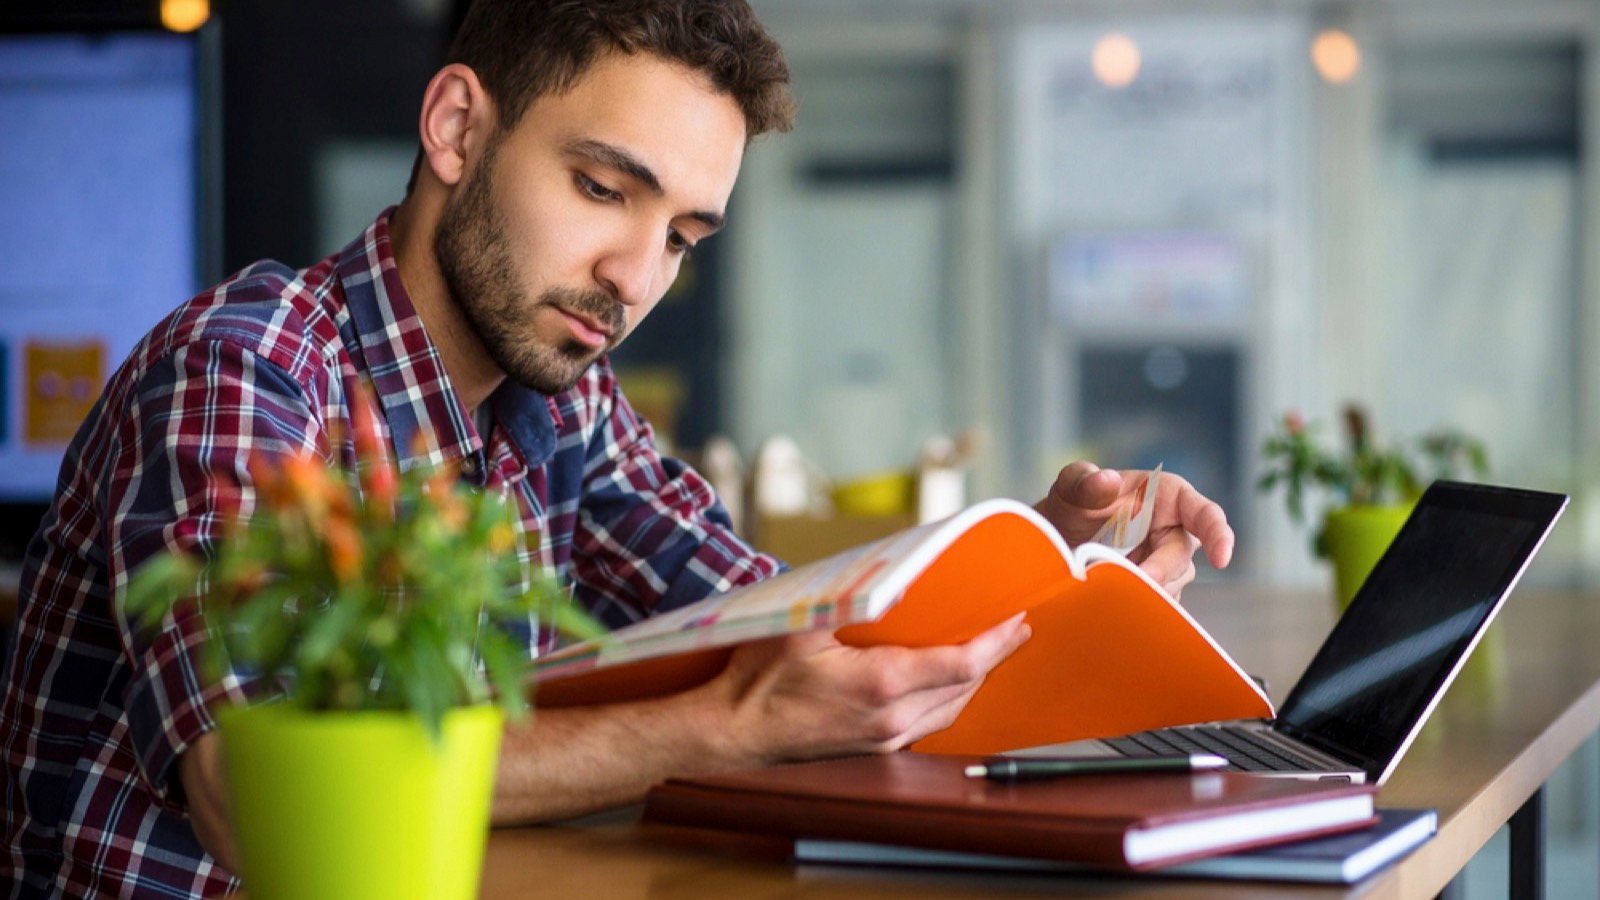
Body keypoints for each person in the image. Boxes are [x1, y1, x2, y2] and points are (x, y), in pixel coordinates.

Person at [0, 1, 1234, 896]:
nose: (635, 279)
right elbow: (257, 801)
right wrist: (718, 729)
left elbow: (801, 632)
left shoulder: (561, 399)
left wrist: (1040, 569)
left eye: (684, 236)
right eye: (602, 188)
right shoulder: (248, 369)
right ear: (456, 127)